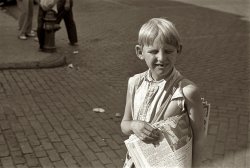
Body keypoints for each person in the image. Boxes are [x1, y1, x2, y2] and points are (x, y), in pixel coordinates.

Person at [121, 18, 205, 168]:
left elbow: (198, 138)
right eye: (153, 51)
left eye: (168, 51)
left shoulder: (187, 91)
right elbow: (124, 124)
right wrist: (134, 125)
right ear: (140, 52)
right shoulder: (134, 83)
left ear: (178, 50)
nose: (161, 58)